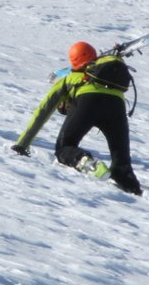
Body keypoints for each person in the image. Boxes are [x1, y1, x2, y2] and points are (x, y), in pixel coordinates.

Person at [11, 41, 142, 195]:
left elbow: (43, 110)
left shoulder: (70, 78)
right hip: (116, 106)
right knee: (121, 159)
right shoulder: (107, 70)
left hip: (88, 103)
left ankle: (86, 162)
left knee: (64, 147)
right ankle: (131, 185)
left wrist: (22, 144)